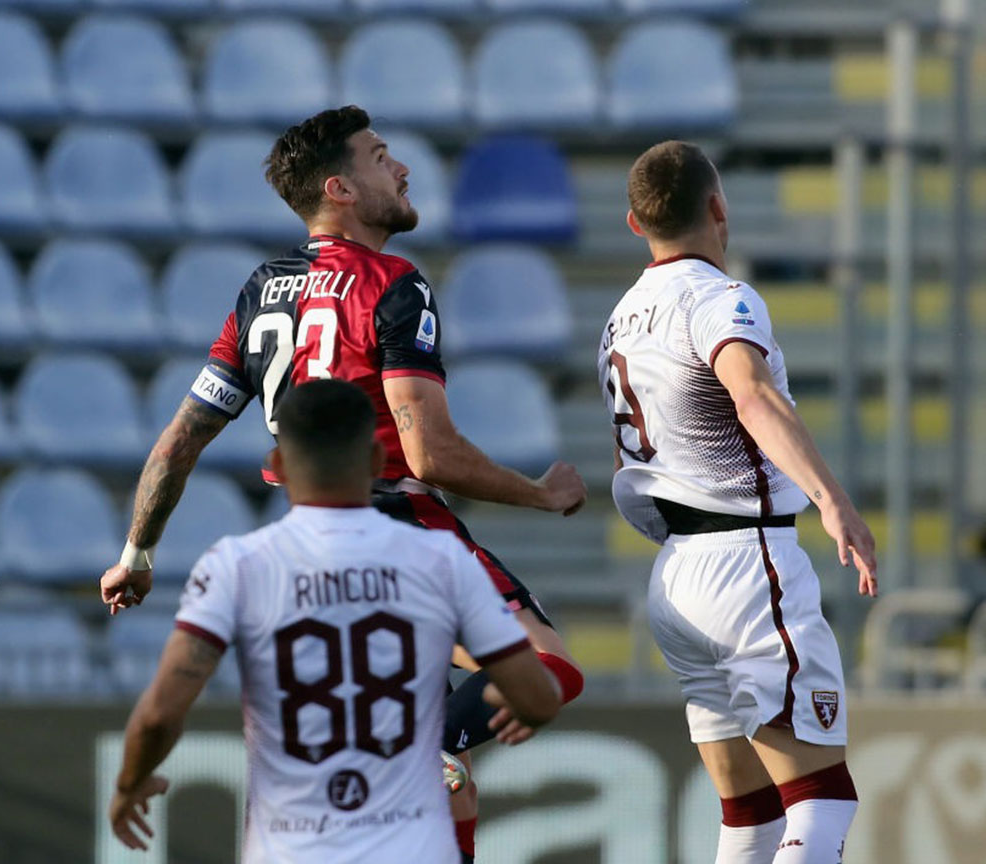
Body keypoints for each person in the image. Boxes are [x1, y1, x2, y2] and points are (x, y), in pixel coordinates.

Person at [99, 105, 587, 863]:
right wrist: (540, 493)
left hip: (299, 535)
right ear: (342, 188)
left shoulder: (261, 291)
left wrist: (136, 551)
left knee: (449, 789)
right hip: (397, 521)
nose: (402, 168)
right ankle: (424, 747)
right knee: (546, 666)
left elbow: (181, 439)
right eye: (381, 156)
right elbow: (428, 453)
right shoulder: (393, 283)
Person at [109, 380, 562, 862]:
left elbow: (160, 714)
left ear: (278, 466)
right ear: (375, 459)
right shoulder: (441, 561)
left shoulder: (236, 567)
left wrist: (129, 784)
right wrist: (516, 713)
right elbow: (538, 690)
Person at [598, 141, 878, 864]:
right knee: (822, 798)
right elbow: (749, 395)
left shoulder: (621, 318)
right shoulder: (720, 298)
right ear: (718, 207)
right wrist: (832, 500)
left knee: (749, 813)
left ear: (635, 223)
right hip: (747, 561)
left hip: (677, 574)